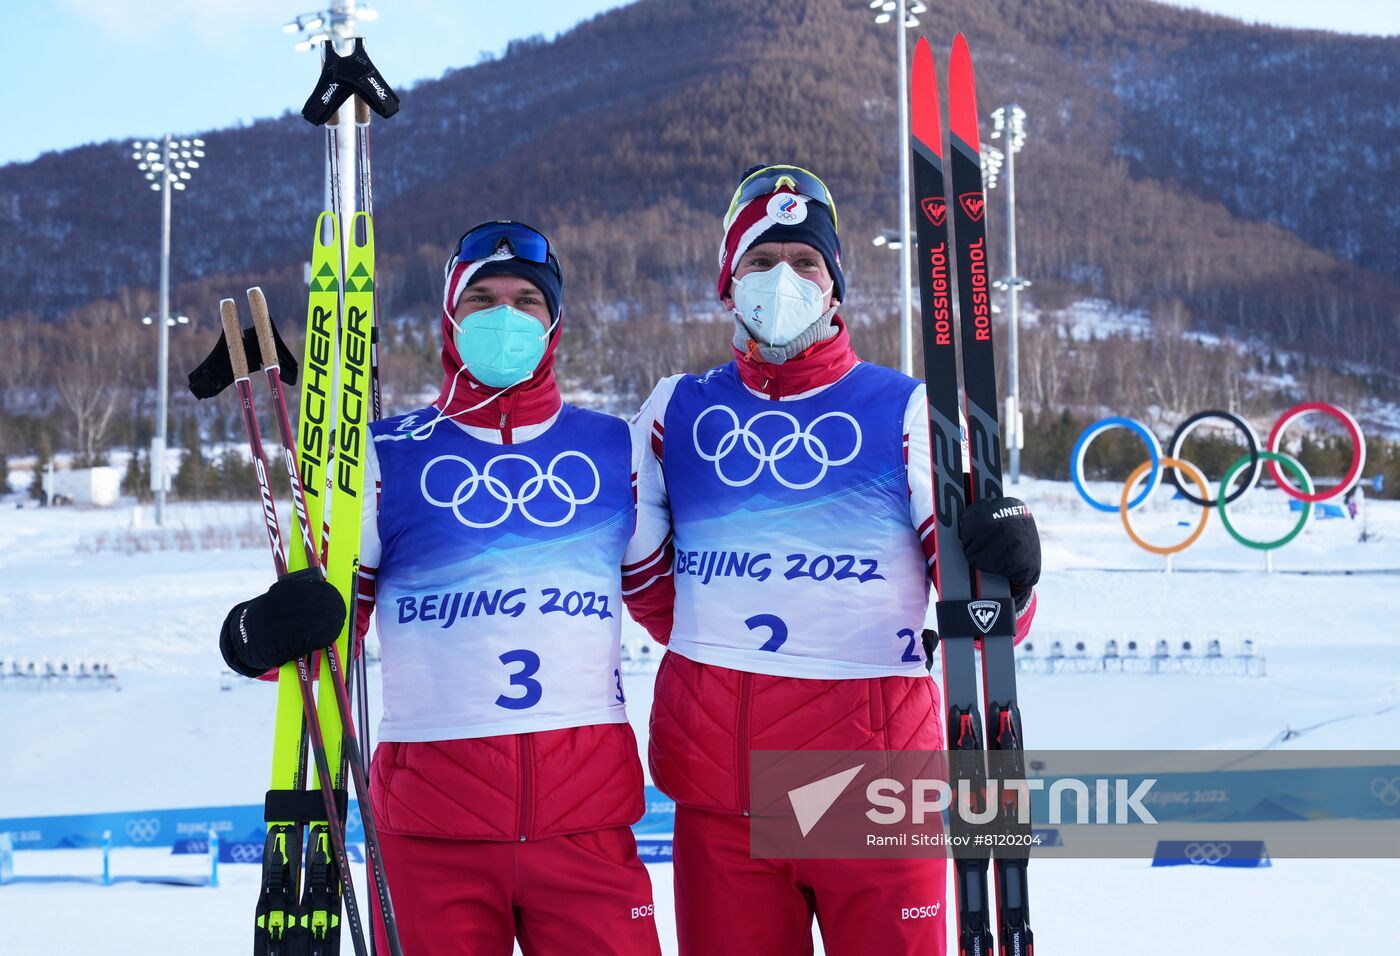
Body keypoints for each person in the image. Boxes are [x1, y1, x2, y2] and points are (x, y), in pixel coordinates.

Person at [626, 165, 1042, 954]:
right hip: (723, 794)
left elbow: (982, 620)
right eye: (760, 260)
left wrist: (1015, 566)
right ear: (728, 280)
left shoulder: (906, 409)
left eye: (806, 262)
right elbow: (649, 590)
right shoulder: (675, 410)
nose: (783, 278)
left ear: (835, 286)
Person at [220, 220, 663, 955]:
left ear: (554, 321)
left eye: (527, 300)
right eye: (483, 299)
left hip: (586, 825)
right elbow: (319, 637)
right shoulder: (383, 456)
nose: (505, 317)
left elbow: (686, 611)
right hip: (431, 833)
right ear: (451, 317)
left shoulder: (615, 450)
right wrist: (254, 633)